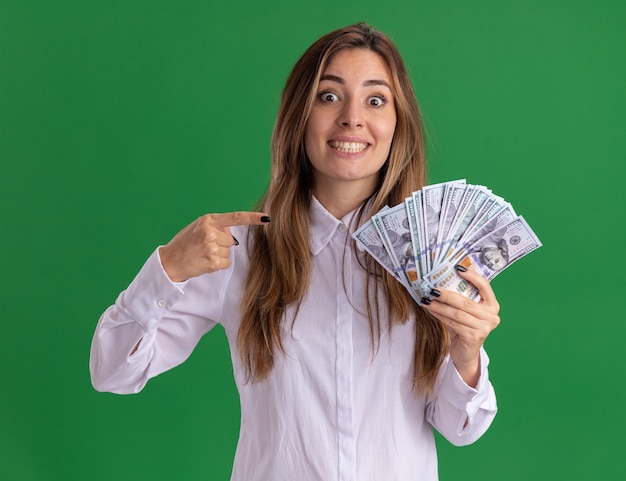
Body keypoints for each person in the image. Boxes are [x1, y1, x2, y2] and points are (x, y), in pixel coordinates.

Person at [90, 22, 501, 481]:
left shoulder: (430, 257)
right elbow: (111, 372)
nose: (352, 117)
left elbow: (461, 429)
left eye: (375, 99)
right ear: (298, 116)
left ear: (397, 122)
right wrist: (167, 269)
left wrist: (468, 355)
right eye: (329, 96)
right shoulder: (238, 253)